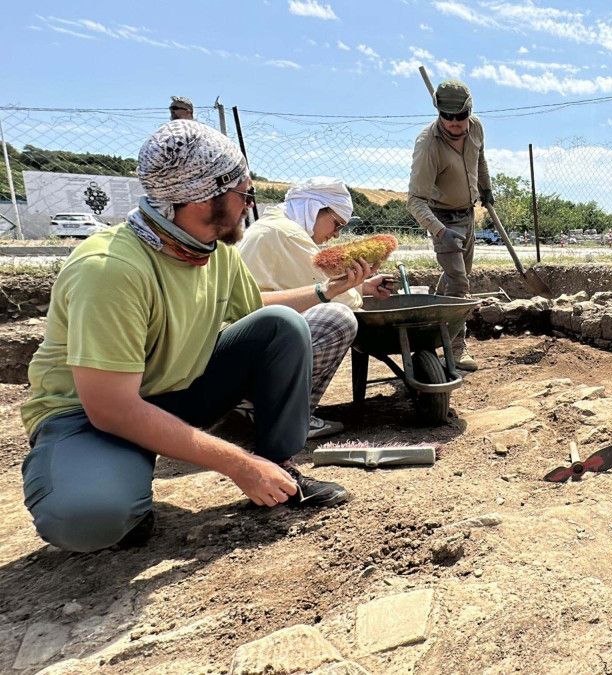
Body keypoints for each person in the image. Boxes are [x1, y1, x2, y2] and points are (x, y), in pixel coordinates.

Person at [20, 120, 351, 554]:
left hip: (174, 391)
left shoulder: (215, 253)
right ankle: (120, 491)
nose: (248, 206)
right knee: (87, 519)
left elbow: (260, 313)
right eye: (243, 194)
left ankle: (280, 468)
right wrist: (238, 464)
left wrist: (331, 288)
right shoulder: (111, 269)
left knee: (281, 326)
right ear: (204, 198)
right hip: (90, 417)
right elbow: (113, 409)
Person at [237, 177, 394, 439]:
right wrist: (355, 291)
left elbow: (301, 288)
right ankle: (285, 417)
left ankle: (251, 404)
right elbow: (329, 294)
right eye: (336, 224)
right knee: (338, 319)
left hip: (242, 349)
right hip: (250, 353)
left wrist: (364, 287)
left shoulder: (273, 226)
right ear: (314, 208)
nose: (336, 234)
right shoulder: (286, 233)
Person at [407, 79, 492, 372]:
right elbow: (414, 201)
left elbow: (480, 160)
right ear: (439, 112)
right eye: (447, 117)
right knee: (459, 282)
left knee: (455, 279)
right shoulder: (428, 145)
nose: (454, 123)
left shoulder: (477, 127)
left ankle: (430, 330)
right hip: (441, 217)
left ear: (469, 110)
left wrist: (487, 188)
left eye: (460, 117)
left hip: (467, 214)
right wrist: (440, 232)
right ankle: (455, 348)